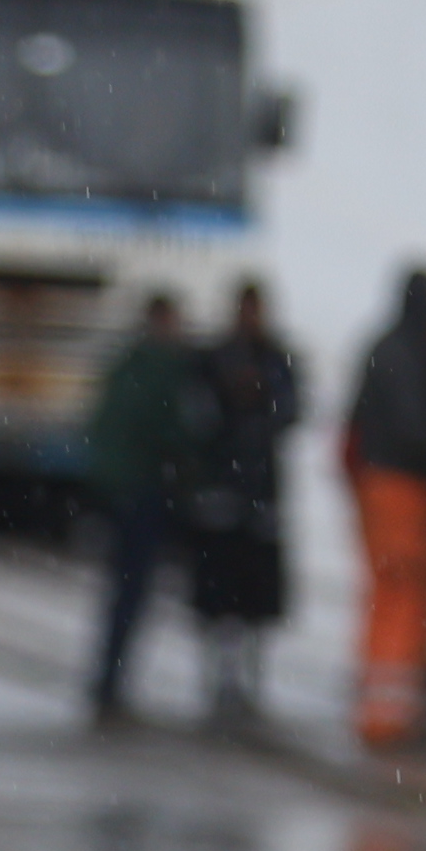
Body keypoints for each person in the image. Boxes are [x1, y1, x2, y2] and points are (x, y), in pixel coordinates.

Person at [337, 271, 426, 752]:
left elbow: (358, 420)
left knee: (382, 591)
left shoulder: (382, 347)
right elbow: (416, 427)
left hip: (374, 484)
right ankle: (391, 712)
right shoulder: (412, 355)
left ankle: (377, 703)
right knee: (405, 595)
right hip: (407, 489)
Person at [78, 287, 203, 725]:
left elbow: (103, 425)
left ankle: (107, 679)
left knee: (123, 590)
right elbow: (167, 428)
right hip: (143, 491)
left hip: (121, 490)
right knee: (131, 590)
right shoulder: (159, 369)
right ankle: (110, 682)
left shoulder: (127, 365)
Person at [183, 278, 303, 729]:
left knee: (256, 600)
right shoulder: (211, 360)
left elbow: (291, 413)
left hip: (261, 497)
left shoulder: (276, 359)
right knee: (217, 599)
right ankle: (219, 679)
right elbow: (197, 416)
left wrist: (263, 405)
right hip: (219, 497)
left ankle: (249, 681)